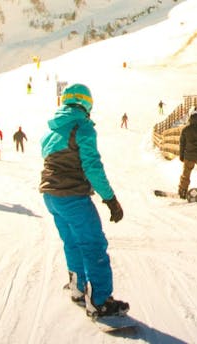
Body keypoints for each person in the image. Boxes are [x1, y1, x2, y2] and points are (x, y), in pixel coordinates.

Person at [39, 83, 128, 318]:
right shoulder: (83, 127)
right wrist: (110, 199)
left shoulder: (50, 131)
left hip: (51, 197)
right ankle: (99, 302)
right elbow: (92, 167)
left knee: (72, 242)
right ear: (87, 104)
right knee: (93, 245)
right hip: (72, 196)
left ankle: (78, 287)